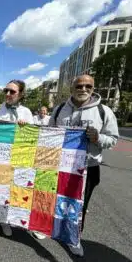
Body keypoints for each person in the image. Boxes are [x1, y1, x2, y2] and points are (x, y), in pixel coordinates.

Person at [46, 75, 119, 257]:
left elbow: (113, 139)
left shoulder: (104, 111)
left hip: (88, 168)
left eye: (88, 86)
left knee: (79, 206)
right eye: (79, 85)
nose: (83, 89)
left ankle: (74, 237)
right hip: (61, 165)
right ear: (72, 88)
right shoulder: (60, 109)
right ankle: (50, 228)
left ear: (93, 88)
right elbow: (48, 134)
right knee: (54, 198)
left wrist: (98, 138)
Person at [0, 79, 33, 237]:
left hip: (14, 160)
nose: (8, 94)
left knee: (7, 192)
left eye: (12, 91)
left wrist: (26, 127)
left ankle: (4, 221)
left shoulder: (26, 112)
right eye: (6, 91)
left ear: (21, 94)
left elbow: (33, 138)